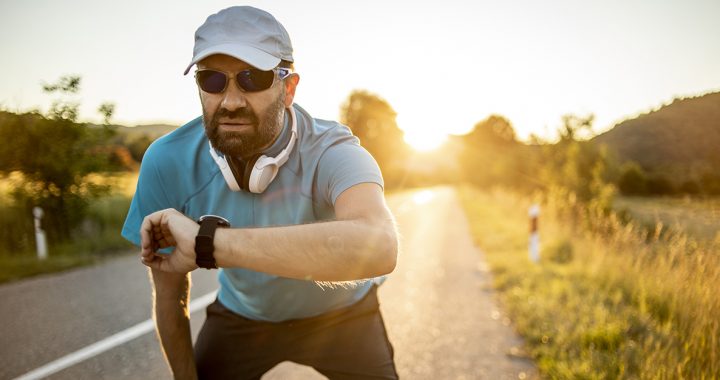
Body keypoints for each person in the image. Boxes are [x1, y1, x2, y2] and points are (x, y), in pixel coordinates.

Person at [121, 5, 399, 380]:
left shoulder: (334, 150)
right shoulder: (166, 160)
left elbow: (379, 244)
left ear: (288, 88)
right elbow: (170, 294)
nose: (231, 101)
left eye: (252, 79)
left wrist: (209, 243)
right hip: (243, 317)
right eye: (213, 80)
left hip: (343, 317)